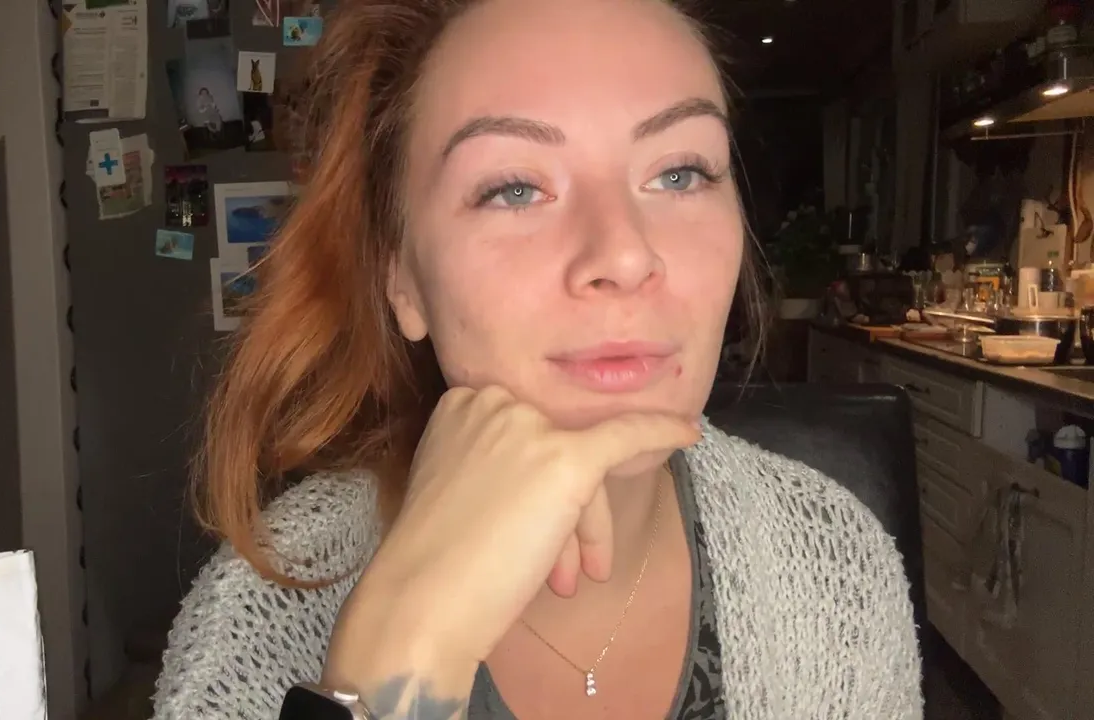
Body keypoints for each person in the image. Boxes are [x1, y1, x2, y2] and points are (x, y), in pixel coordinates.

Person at [153, 0, 922, 718]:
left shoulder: (839, 572)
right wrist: (391, 660)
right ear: (403, 280)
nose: (624, 254)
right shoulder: (254, 617)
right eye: (515, 189)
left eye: (679, 173)